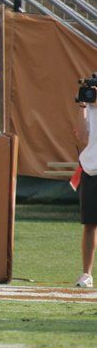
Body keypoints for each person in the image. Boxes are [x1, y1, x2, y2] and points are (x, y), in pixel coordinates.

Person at [73, 96, 97, 288]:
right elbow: (81, 136)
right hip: (92, 169)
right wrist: (82, 104)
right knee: (89, 224)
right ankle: (86, 273)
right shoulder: (89, 106)